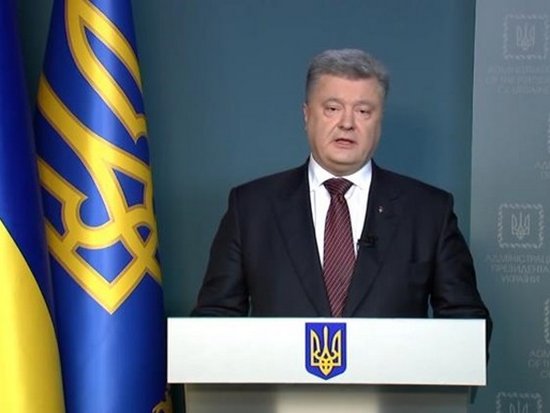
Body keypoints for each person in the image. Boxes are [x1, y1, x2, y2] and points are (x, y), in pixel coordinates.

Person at [191, 49, 491, 336]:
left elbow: (466, 325)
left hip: (390, 375)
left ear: (380, 121)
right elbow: (214, 320)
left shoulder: (429, 212)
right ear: (306, 115)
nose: (347, 123)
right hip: (279, 375)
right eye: (332, 109)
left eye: (363, 111)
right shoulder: (251, 208)